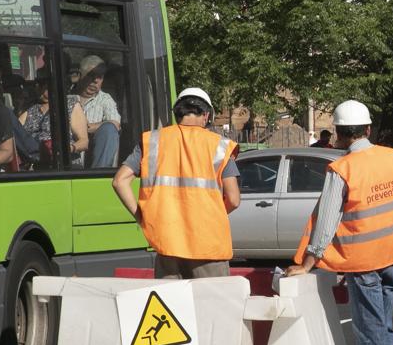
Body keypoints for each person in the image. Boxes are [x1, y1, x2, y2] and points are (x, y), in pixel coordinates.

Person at [286, 100, 393, 345]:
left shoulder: (343, 169)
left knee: (373, 331)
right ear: (368, 129)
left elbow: (326, 222)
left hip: (365, 262)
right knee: (383, 327)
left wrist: (308, 262)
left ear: (339, 135)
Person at [110, 88, 240, 279]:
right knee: (211, 306)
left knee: (170, 307)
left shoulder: (152, 141)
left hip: (167, 242)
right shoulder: (219, 145)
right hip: (208, 245)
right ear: (206, 115)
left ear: (178, 114)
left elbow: (119, 181)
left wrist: (142, 217)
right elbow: (234, 199)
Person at [20, 75, 88, 164]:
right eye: (40, 87)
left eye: (47, 89)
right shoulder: (31, 109)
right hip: (33, 159)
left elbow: (84, 142)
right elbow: (17, 133)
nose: (43, 93)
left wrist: (66, 149)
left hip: (62, 162)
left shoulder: (69, 104)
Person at [73, 55, 121, 167]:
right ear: (80, 76)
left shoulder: (105, 99)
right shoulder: (68, 97)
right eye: (92, 76)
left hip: (92, 158)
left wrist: (84, 128)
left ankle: (97, 174)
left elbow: (115, 124)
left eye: (100, 77)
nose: (96, 81)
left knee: (109, 129)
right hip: (69, 158)